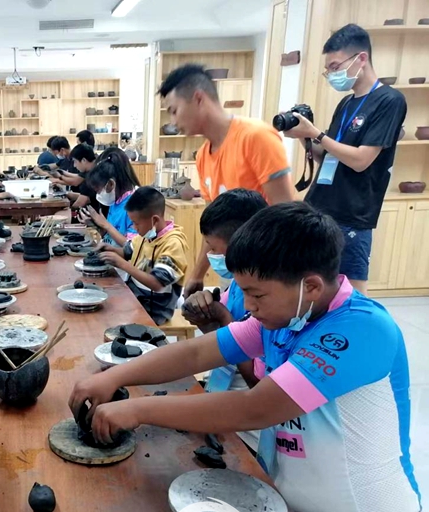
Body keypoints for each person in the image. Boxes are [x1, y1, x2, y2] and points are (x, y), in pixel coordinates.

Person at [70, 202, 420, 512]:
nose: (247, 306)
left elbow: (255, 408)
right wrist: (114, 376)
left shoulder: (361, 329)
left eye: (256, 294)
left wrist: (135, 408)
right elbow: (198, 353)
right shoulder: (286, 316)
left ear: (311, 286)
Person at [282, 24, 407, 295]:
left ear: (361, 59)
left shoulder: (389, 100)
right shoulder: (346, 103)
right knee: (312, 287)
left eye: (336, 66)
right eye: (329, 69)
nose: (332, 75)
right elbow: (329, 156)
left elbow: (362, 160)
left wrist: (316, 133)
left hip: (352, 215)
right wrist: (305, 138)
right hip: (319, 208)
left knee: (351, 295)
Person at [159, 64, 294, 298]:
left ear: (198, 98)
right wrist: (198, 275)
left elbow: (287, 214)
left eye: (174, 110)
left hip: (268, 269)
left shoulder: (256, 137)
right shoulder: (203, 156)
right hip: (235, 268)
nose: (172, 121)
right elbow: (214, 227)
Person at [181, 188, 268, 450]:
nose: (211, 256)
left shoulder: (269, 293)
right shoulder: (237, 284)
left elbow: (256, 379)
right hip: (223, 388)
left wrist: (223, 316)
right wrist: (202, 318)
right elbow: (219, 341)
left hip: (252, 423)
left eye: (215, 249)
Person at [96, 186, 188, 324]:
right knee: (99, 298)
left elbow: (157, 284)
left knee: (104, 318)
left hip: (155, 309)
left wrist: (122, 264)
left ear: (154, 220)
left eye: (136, 223)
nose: (133, 227)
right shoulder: (146, 235)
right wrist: (110, 249)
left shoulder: (173, 244)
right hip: (135, 297)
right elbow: (127, 252)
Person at [80, 150, 139, 246]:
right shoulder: (115, 201)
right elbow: (109, 235)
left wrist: (105, 225)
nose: (98, 195)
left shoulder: (135, 205)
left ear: (111, 184)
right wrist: (94, 224)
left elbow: (132, 248)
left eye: (98, 190)